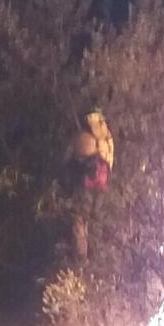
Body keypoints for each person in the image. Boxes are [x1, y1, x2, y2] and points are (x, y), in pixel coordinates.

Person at [66, 107, 115, 261]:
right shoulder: (106, 138)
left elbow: (68, 157)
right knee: (94, 219)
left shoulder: (82, 136)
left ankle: (80, 259)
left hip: (86, 182)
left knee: (79, 218)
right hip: (103, 182)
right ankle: (97, 257)